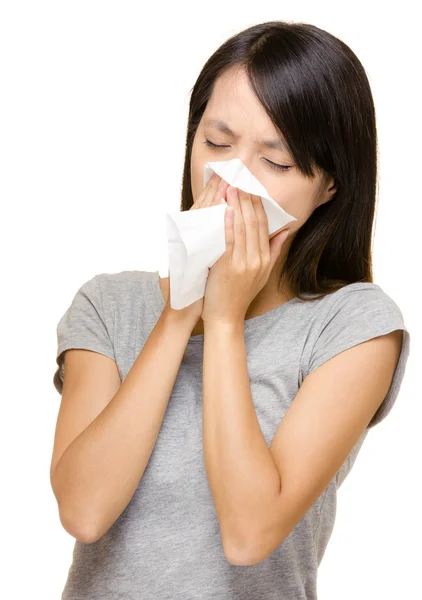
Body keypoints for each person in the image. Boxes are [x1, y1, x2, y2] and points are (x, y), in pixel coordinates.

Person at [50, 20, 411, 600]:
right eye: (217, 144)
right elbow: (84, 511)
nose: (233, 181)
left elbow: (248, 534)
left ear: (330, 187)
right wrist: (180, 313)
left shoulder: (353, 327)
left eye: (278, 161)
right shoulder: (109, 305)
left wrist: (223, 321)